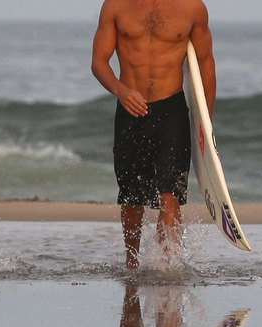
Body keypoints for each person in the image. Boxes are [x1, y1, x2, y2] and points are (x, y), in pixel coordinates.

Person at [91, 0, 216, 268]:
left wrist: (206, 124)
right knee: (131, 198)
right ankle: (132, 264)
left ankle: (167, 268)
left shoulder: (192, 8)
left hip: (172, 111)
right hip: (130, 111)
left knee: (169, 194)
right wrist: (121, 91)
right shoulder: (115, 6)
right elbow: (99, 62)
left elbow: (205, 64)